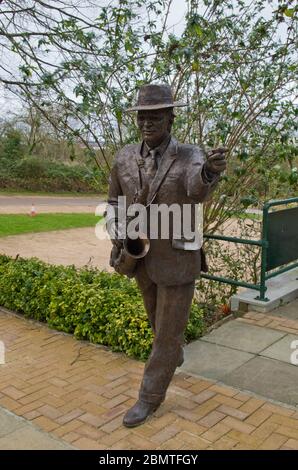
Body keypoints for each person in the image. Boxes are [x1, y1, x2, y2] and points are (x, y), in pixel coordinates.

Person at [106, 84, 226, 427]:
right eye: (143, 117)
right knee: (160, 326)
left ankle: (149, 398)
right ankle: (173, 351)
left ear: (171, 119)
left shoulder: (191, 156)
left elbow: (195, 187)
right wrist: (119, 230)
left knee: (167, 336)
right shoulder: (124, 157)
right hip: (139, 256)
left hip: (177, 257)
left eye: (155, 117)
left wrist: (210, 172)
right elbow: (114, 201)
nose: (147, 123)